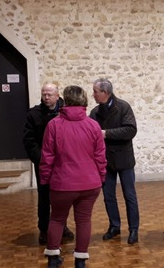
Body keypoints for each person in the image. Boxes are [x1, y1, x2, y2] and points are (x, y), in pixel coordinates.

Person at [40, 85, 106, 268]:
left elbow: (47, 156)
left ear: (65, 100)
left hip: (62, 183)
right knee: (84, 220)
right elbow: (100, 155)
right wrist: (101, 176)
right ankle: (80, 261)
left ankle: (53, 258)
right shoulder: (93, 125)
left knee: (57, 219)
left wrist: (45, 179)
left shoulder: (54, 125)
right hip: (89, 183)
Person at [89, 78, 140, 245]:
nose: (93, 94)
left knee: (129, 196)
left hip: (124, 159)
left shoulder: (123, 107)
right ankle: (114, 226)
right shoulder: (95, 112)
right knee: (108, 197)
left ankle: (133, 229)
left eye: (96, 91)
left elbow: (130, 130)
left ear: (105, 93)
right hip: (105, 161)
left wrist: (106, 134)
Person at [23, 82, 74, 244]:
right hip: (43, 164)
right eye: (44, 94)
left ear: (57, 96)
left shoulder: (66, 112)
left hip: (63, 164)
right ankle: (44, 229)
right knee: (44, 198)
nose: (46, 97)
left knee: (63, 198)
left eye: (49, 94)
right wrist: (42, 160)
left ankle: (62, 226)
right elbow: (29, 141)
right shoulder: (33, 114)